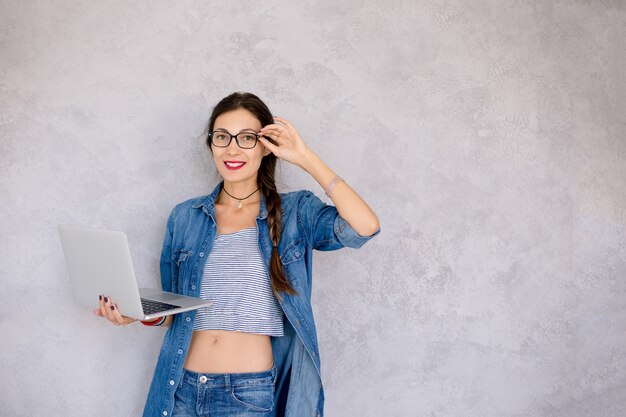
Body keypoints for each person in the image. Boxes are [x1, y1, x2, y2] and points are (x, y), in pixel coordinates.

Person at [94, 92, 380, 417]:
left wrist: (305, 157)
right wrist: (140, 313)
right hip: (180, 388)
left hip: (247, 393)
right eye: (222, 137)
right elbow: (177, 308)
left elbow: (364, 227)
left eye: (246, 138)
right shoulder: (185, 216)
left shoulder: (295, 212)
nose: (232, 148)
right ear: (212, 144)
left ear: (265, 145)